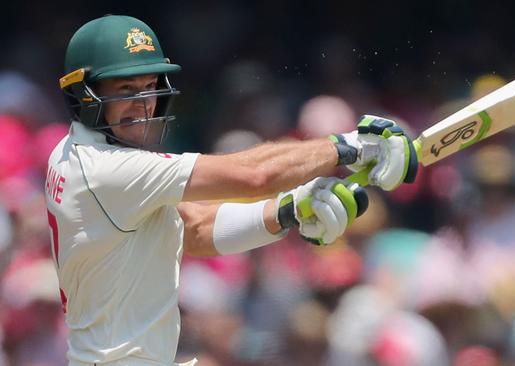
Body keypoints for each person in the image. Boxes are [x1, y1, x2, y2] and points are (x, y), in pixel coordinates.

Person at [45, 15, 418, 366]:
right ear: (84, 94)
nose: (144, 105)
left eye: (149, 88)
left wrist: (288, 211)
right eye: (126, 89)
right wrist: (349, 145)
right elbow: (254, 175)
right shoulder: (107, 170)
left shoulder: (75, 154)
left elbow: (194, 229)